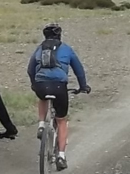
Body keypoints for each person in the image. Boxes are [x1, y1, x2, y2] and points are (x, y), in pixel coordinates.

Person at [27, 23, 91, 171]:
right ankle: (61, 156)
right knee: (61, 120)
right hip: (59, 87)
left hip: (41, 85)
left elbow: (30, 69)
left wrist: (34, 84)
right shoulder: (67, 49)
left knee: (42, 97)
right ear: (59, 36)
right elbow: (79, 70)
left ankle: (42, 125)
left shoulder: (39, 48)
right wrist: (83, 86)